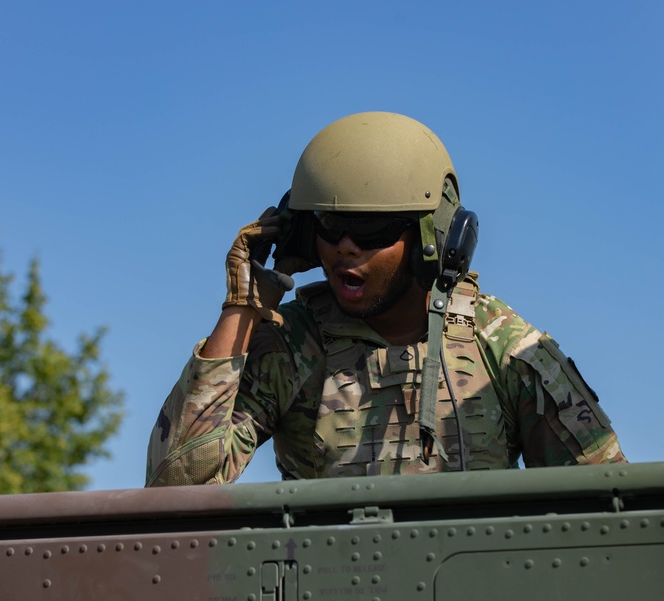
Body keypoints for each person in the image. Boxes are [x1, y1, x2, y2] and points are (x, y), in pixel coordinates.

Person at [146, 112, 625, 486]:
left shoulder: (501, 344)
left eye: (373, 228)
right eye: (329, 226)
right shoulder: (293, 347)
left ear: (433, 236)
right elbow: (175, 491)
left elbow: (604, 504)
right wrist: (242, 307)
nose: (345, 247)